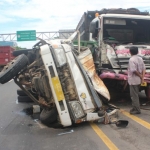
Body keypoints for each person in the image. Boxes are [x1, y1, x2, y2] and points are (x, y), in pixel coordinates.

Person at [128, 46, 145, 114]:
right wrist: (142, 77)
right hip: (138, 80)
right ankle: (135, 107)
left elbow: (133, 70)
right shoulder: (140, 58)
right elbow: (144, 68)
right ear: (137, 52)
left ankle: (137, 109)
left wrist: (141, 76)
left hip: (133, 80)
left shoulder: (131, 60)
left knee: (134, 95)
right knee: (135, 94)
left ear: (130, 52)